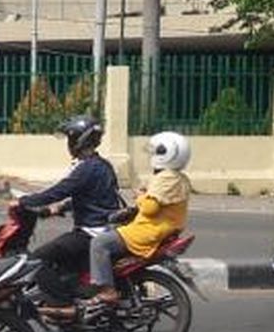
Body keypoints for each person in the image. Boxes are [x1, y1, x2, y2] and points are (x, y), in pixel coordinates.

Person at [11, 115, 122, 313]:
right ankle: (74, 293)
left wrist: (23, 201)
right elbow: (94, 197)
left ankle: (63, 304)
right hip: (103, 228)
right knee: (63, 259)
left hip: (91, 232)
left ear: (80, 141)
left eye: (71, 139)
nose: (69, 144)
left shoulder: (86, 168)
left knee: (36, 260)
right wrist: (59, 209)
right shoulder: (102, 165)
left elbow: (59, 191)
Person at [86, 131, 192, 307]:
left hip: (149, 231)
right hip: (162, 228)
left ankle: (107, 291)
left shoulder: (165, 178)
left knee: (99, 243)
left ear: (166, 154)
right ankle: (121, 284)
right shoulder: (178, 178)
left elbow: (150, 208)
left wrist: (140, 197)